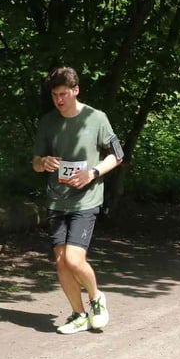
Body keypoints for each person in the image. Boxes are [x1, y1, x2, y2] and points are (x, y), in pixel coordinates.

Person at [32, 67, 124, 334]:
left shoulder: (96, 118)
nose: (59, 100)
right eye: (54, 95)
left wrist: (93, 173)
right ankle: (78, 314)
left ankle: (96, 297)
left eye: (63, 94)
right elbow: (35, 163)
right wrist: (44, 162)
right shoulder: (48, 122)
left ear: (76, 90)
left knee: (74, 259)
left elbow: (117, 154)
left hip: (86, 200)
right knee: (61, 262)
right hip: (56, 200)